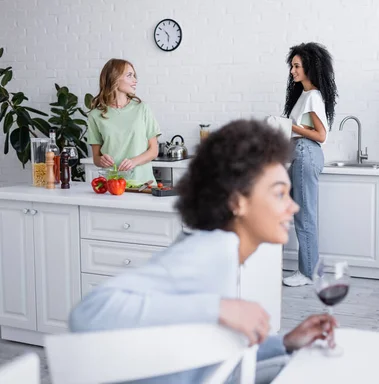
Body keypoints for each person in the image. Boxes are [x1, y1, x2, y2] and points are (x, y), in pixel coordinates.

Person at [69, 120, 338, 383]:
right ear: (237, 202)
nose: (293, 207)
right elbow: (87, 314)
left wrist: (286, 343)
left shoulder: (224, 252)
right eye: (279, 194)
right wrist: (217, 307)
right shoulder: (211, 250)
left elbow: (219, 359)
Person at [282, 42, 338, 287]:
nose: (292, 70)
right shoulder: (304, 95)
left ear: (309, 68)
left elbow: (321, 135)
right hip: (300, 154)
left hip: (306, 154)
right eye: (292, 66)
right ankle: (307, 270)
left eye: (296, 66)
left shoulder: (313, 96)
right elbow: (305, 130)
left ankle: (307, 273)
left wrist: (287, 126)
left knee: (305, 216)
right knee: (301, 214)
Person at [87, 58, 160, 185]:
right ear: (114, 78)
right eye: (129, 75)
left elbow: (153, 150)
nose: (135, 80)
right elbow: (96, 158)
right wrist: (102, 160)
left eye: (134, 76)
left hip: (143, 184)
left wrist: (133, 162)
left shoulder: (142, 108)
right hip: (114, 186)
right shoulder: (95, 115)